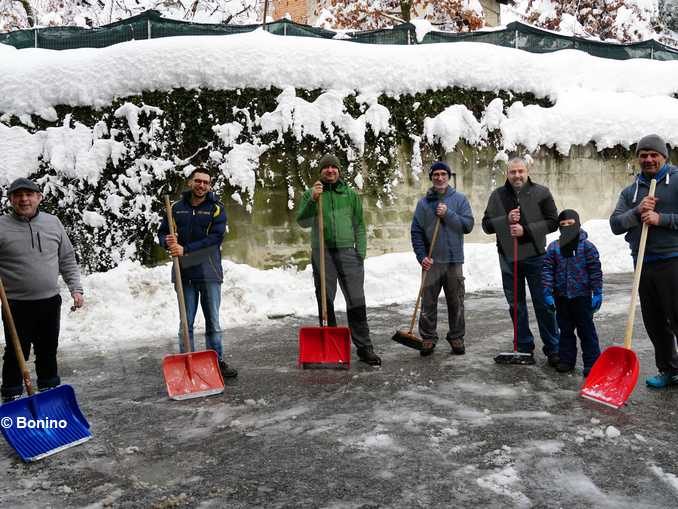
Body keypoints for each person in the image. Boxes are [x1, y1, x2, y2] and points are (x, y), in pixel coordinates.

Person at [0, 178, 84, 403]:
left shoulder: (53, 222)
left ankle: (49, 391)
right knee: (17, 352)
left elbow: (67, 258)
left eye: (29, 194)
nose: (24, 199)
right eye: (18, 195)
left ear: (39, 197)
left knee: (48, 348)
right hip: (15, 304)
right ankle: (12, 394)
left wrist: (76, 288)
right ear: (10, 200)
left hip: (49, 301)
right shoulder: (1, 226)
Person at [296, 154, 381, 366]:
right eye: (326, 168)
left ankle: (364, 347)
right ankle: (330, 346)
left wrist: (359, 253)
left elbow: (359, 225)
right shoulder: (312, 194)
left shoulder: (350, 195)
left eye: (334, 167)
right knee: (326, 301)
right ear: (320, 171)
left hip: (347, 253)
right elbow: (303, 222)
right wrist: (313, 200)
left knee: (356, 300)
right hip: (322, 253)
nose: (330, 170)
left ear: (339, 171)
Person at [610, 134, 678, 388]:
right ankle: (669, 370)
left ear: (664, 156)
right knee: (655, 321)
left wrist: (663, 219)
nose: (648, 159)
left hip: (673, 260)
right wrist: (637, 211)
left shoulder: (676, 181)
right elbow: (615, 224)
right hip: (643, 262)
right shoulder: (631, 191)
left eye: (654, 155)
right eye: (643, 155)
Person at [158, 168, 237, 379]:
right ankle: (187, 362)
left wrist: (186, 249)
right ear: (190, 182)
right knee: (186, 323)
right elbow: (163, 232)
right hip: (183, 273)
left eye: (206, 182)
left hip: (209, 272)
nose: (201, 185)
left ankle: (217, 362)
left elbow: (216, 239)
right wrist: (166, 242)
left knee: (213, 322)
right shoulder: (175, 208)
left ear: (209, 186)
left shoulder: (216, 209)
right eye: (198, 181)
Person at [481, 157, 560, 365]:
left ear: (527, 171)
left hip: (535, 256)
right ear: (507, 173)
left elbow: (553, 222)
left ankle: (553, 347)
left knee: (543, 304)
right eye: (512, 172)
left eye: (520, 171)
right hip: (509, 257)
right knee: (516, 305)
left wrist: (526, 229)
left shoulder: (541, 193)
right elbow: (486, 225)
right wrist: (505, 220)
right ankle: (524, 346)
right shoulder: (498, 195)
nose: (517, 175)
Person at [411, 161, 474, 357]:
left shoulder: (460, 200)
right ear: (432, 178)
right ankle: (428, 338)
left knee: (456, 301)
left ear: (449, 177)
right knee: (428, 302)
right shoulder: (423, 204)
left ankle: (456, 336)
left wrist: (448, 214)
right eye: (436, 174)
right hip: (432, 261)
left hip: (454, 261)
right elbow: (416, 232)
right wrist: (422, 257)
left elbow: (467, 225)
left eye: (443, 174)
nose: (440, 178)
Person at [542, 209, 602, 377]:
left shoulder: (587, 247)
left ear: (578, 224)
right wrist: (547, 293)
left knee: (587, 331)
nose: (567, 227)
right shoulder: (554, 248)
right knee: (565, 331)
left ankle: (592, 363)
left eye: (570, 224)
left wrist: (597, 292)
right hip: (561, 297)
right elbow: (547, 270)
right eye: (562, 225)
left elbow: (595, 271)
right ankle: (566, 360)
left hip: (582, 297)